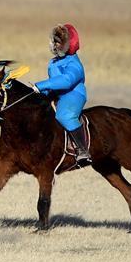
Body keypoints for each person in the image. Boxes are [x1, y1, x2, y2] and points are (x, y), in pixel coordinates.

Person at [34, 23, 91, 166]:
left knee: (64, 115)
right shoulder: (53, 62)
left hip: (72, 95)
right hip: (57, 94)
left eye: (57, 42)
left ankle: (83, 150)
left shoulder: (74, 64)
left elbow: (66, 81)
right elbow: (54, 82)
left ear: (66, 45)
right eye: (54, 41)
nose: (54, 45)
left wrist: (41, 85)